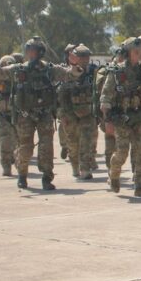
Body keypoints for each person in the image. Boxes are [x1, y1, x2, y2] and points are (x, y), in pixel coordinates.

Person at [0, 38, 84, 190]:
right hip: (25, 115)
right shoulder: (19, 69)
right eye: (28, 50)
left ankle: (47, 177)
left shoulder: (49, 69)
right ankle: (22, 175)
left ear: (40, 52)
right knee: (25, 147)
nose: (30, 54)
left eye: (33, 51)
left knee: (46, 147)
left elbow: (70, 75)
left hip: (45, 114)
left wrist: (74, 64)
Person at [100, 37, 141, 197]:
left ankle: (140, 186)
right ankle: (114, 174)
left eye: (140, 51)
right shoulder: (116, 72)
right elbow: (105, 97)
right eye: (135, 51)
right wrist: (107, 121)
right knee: (122, 153)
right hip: (122, 119)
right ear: (127, 53)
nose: (139, 54)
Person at [58, 45, 99, 180]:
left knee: (87, 141)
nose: (85, 60)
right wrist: (62, 115)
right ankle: (75, 166)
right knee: (73, 142)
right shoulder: (67, 72)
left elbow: (99, 90)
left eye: (87, 57)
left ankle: (85, 169)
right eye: (82, 57)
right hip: (70, 113)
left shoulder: (93, 72)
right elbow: (61, 95)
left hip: (88, 112)